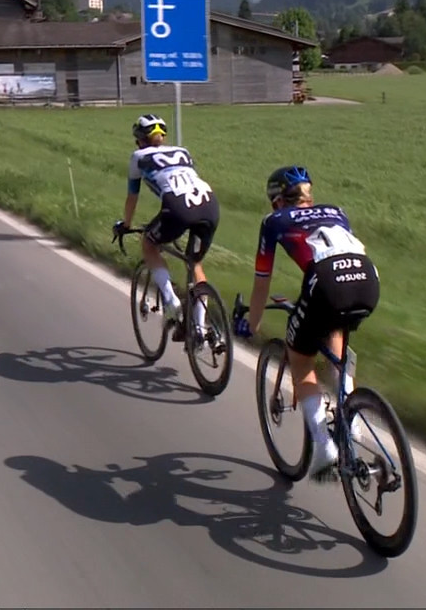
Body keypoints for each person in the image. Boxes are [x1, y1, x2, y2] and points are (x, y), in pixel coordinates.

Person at [234, 166, 380, 479]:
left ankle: (324, 447)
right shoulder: (337, 211)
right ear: (309, 195)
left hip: (326, 282)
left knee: (300, 359)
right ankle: (352, 419)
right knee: (334, 333)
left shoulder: (274, 221)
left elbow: (262, 282)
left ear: (276, 200)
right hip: (368, 279)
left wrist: (252, 325)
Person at [113, 114, 219, 342]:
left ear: (140, 139)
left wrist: (126, 225)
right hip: (209, 204)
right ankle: (200, 327)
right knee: (194, 262)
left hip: (178, 207)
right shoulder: (183, 151)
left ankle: (171, 302)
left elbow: (132, 197)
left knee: (149, 244)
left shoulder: (138, 157)